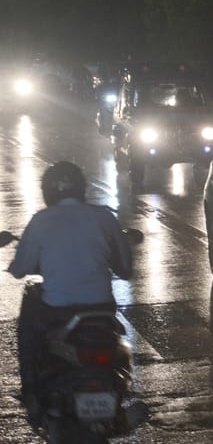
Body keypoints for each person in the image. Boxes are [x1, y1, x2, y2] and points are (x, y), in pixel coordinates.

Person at [8, 161, 133, 426]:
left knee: (28, 326)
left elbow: (20, 270)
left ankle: (30, 392)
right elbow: (125, 269)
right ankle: (121, 396)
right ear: (81, 188)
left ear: (48, 191)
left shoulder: (41, 220)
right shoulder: (104, 217)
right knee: (119, 347)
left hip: (57, 313)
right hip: (101, 311)